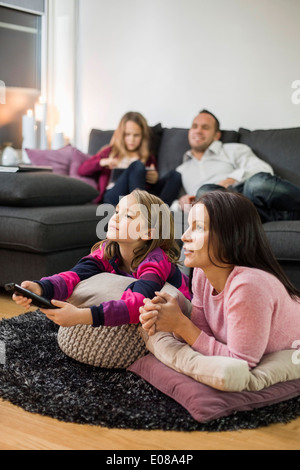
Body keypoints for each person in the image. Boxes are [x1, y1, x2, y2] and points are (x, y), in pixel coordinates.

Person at [140, 190, 300, 369]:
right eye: (188, 226)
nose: (184, 236)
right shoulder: (202, 274)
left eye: (198, 227)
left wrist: (181, 324)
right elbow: (204, 335)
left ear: (234, 237)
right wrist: (178, 313)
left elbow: (241, 363)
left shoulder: (249, 286)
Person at [12, 190, 191, 328]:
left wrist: (82, 317)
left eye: (128, 216)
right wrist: (39, 288)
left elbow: (139, 303)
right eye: (117, 211)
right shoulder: (107, 250)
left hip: (182, 313)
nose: (114, 218)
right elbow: (74, 275)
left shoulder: (155, 261)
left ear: (148, 233)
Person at [175, 110, 300, 222]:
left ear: (217, 135)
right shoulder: (181, 170)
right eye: (194, 126)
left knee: (257, 183)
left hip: (243, 192)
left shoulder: (233, 149)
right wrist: (181, 203)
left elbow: (263, 169)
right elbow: (169, 205)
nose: (198, 131)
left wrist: (230, 180)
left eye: (205, 127)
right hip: (219, 209)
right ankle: (280, 217)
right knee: (205, 193)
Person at [78, 111, 182, 206]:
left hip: (139, 193)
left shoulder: (148, 156)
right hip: (114, 195)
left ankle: (160, 212)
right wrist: (102, 162)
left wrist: (154, 179)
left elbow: (145, 187)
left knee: (175, 175)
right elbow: (82, 170)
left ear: (143, 136)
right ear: (121, 134)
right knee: (137, 165)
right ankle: (142, 210)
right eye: (127, 135)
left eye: (136, 135)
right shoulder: (110, 151)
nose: (131, 139)